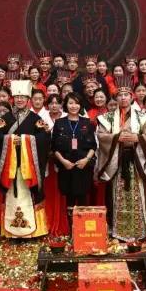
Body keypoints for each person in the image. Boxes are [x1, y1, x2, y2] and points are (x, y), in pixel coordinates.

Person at [96, 76, 146, 242]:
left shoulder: (143, 117)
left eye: (126, 95)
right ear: (116, 98)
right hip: (116, 161)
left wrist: (138, 138)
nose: (123, 98)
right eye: (120, 95)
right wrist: (117, 138)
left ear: (132, 97)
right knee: (116, 196)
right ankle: (117, 231)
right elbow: (101, 136)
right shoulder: (107, 117)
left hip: (136, 161)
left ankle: (139, 231)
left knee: (137, 195)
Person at [0, 80, 51, 238]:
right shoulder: (6, 118)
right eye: (17, 97)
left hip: (28, 167)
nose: (19, 100)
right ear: (13, 98)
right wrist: (10, 140)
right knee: (12, 197)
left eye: (23, 97)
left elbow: (45, 136)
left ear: (28, 99)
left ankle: (34, 232)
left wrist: (25, 140)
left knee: (29, 196)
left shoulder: (35, 118)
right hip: (11, 167)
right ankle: (11, 232)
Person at [52, 92, 97, 232]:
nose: (73, 106)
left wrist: (86, 160)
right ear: (66, 105)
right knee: (69, 197)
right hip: (66, 167)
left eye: (76, 103)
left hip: (83, 166)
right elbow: (54, 147)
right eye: (70, 103)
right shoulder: (59, 123)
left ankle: (82, 231)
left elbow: (93, 146)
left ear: (80, 105)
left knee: (83, 196)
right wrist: (63, 161)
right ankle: (72, 230)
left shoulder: (87, 122)